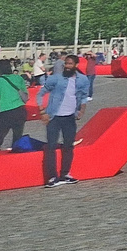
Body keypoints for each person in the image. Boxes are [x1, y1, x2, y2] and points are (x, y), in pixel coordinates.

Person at [39, 53, 92, 187]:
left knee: (68, 146)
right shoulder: (56, 78)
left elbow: (84, 97)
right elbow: (41, 93)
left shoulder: (83, 79)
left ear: (76, 65)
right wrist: (42, 111)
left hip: (70, 117)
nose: (67, 66)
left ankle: (65, 173)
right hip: (54, 117)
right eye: (66, 64)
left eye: (70, 64)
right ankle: (52, 177)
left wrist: (82, 110)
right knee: (51, 146)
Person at [0, 59, 30, 152]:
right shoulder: (18, 78)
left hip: (5, 113)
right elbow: (26, 96)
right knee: (17, 139)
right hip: (20, 111)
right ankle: (16, 159)